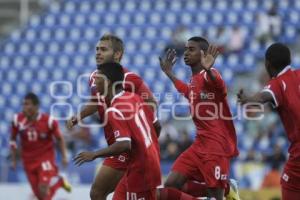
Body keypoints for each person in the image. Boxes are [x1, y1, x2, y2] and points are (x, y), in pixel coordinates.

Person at [74, 62, 198, 200]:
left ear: (107, 82)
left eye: (97, 79)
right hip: (147, 160)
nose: (94, 83)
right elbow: (157, 126)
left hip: (141, 169)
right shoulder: (135, 97)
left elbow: (124, 145)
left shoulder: (114, 110)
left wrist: (94, 154)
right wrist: (148, 148)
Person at [66, 34, 160, 200]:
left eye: (103, 49)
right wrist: (78, 116)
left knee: (97, 193)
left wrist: (147, 140)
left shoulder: (131, 79)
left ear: (118, 54)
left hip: (127, 148)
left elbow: (151, 103)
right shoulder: (95, 77)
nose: (98, 53)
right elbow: (96, 102)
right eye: (97, 49)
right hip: (116, 144)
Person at [159, 37, 240, 200]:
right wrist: (170, 74)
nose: (186, 53)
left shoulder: (210, 75)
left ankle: (223, 190)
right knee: (171, 185)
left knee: (215, 196)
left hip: (215, 146)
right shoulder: (195, 79)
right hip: (199, 144)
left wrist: (209, 69)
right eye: (186, 48)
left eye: (191, 49)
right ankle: (226, 189)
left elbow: (220, 87)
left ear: (202, 54)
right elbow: (189, 92)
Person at [237, 42, 300, 200]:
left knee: (289, 185)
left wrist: (248, 99)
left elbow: (263, 96)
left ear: (267, 64)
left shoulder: (277, 84)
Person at [10, 92, 71, 200]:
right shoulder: (17, 120)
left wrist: (64, 156)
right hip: (28, 161)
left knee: (43, 189)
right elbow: (13, 140)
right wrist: (14, 160)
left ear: (36, 106)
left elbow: (59, 139)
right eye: (23, 104)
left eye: (27, 104)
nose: (24, 107)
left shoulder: (48, 121)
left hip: (45, 159)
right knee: (40, 195)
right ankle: (59, 182)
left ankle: (58, 182)